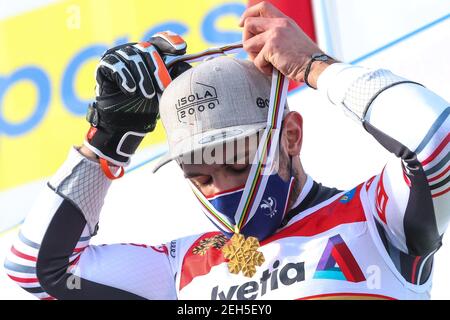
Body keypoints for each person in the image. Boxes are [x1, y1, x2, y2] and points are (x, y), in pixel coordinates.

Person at [4, 2, 449, 300]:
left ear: (291, 135)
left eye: (237, 164)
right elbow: (36, 270)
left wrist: (317, 68)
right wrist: (109, 139)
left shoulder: (373, 215)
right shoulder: (181, 267)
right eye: (200, 176)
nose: (221, 189)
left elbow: (438, 143)